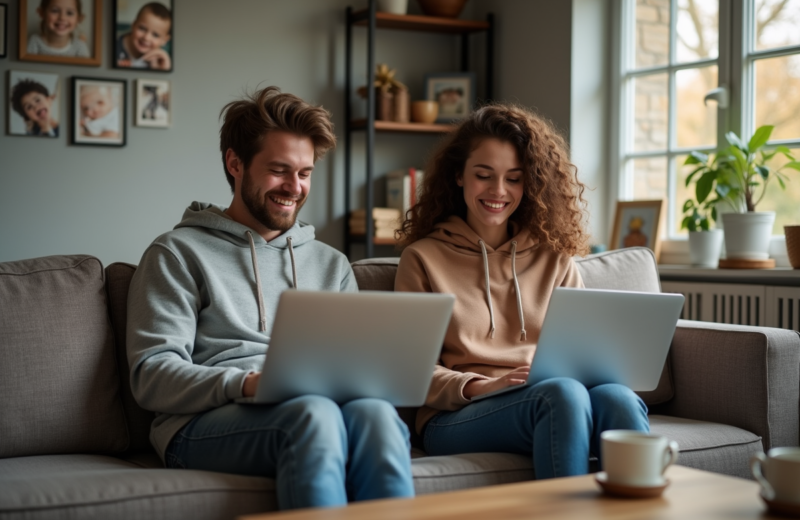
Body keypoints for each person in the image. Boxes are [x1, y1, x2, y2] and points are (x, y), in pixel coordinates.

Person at [126, 86, 414, 510]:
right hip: (200, 423)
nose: (294, 188)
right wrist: (246, 383)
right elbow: (151, 374)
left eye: (305, 173)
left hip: (312, 406)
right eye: (279, 170)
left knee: (376, 416)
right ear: (235, 163)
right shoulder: (177, 252)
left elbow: (348, 370)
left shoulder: (331, 265)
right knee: (313, 416)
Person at [394, 103, 649, 479]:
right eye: (484, 175)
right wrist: (484, 386)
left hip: (549, 392)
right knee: (561, 395)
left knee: (619, 399)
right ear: (459, 176)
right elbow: (410, 370)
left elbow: (581, 355)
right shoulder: (423, 259)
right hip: (456, 414)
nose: (499, 191)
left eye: (514, 178)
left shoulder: (555, 259)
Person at [116, 2, 172, 70]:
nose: (146, 37)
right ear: (133, 25)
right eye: (142, 28)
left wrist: (162, 70)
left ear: (164, 40)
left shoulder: (160, 60)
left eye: (155, 35)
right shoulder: (113, 48)